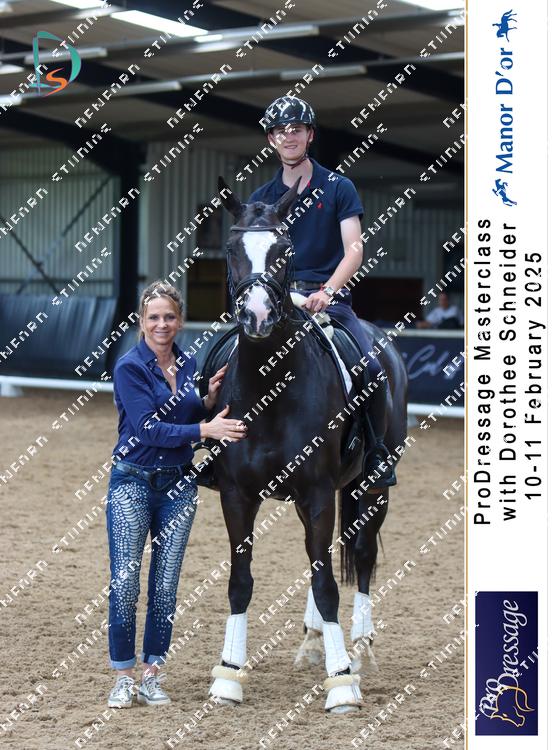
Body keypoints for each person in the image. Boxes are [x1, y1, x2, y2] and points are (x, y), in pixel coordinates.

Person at [106, 281, 247, 708]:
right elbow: (149, 428)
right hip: (132, 482)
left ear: (180, 320)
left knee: (166, 587)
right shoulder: (129, 367)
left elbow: (181, 411)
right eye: (153, 317)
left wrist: (207, 400)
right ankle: (123, 676)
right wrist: (207, 429)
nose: (162, 324)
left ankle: (152, 674)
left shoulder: (187, 363)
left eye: (169, 316)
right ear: (141, 322)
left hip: (179, 486)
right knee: (125, 584)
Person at [248, 95, 395, 487]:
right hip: (277, 301)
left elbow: (354, 250)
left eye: (296, 129)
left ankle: (376, 452)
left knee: (371, 369)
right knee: (226, 361)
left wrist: (328, 291)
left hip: (328, 301)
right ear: (271, 140)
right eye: (281, 131)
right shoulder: (260, 199)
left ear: (310, 135)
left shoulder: (338, 187)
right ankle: (222, 453)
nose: (289, 136)